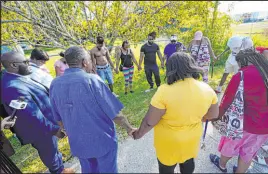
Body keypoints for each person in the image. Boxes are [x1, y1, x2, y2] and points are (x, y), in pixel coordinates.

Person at [50, 46, 136, 173]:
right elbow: (116, 114)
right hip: (102, 141)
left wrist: (67, 130)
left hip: (78, 142)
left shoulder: (55, 84)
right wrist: (129, 128)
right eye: (90, 60)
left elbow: (58, 117)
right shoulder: (92, 80)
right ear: (85, 62)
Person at [133, 52, 219, 173]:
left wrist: (138, 134)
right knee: (188, 163)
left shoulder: (164, 91)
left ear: (171, 69)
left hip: (168, 142)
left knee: (166, 168)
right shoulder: (207, 88)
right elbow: (214, 115)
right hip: (191, 138)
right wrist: (196, 118)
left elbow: (150, 122)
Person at [1, 52, 73, 174]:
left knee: (53, 149)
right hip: (40, 130)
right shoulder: (11, 87)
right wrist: (55, 130)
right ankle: (58, 170)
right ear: (13, 64)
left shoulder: (17, 75)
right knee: (48, 152)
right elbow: (32, 116)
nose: (29, 64)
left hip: (47, 123)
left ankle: (60, 166)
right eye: (25, 62)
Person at [210, 49, 268, 173]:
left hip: (243, 123)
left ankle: (222, 165)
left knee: (230, 146)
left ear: (244, 61)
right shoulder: (266, 71)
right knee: (249, 152)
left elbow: (226, 102)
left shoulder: (241, 75)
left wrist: (215, 117)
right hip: (265, 126)